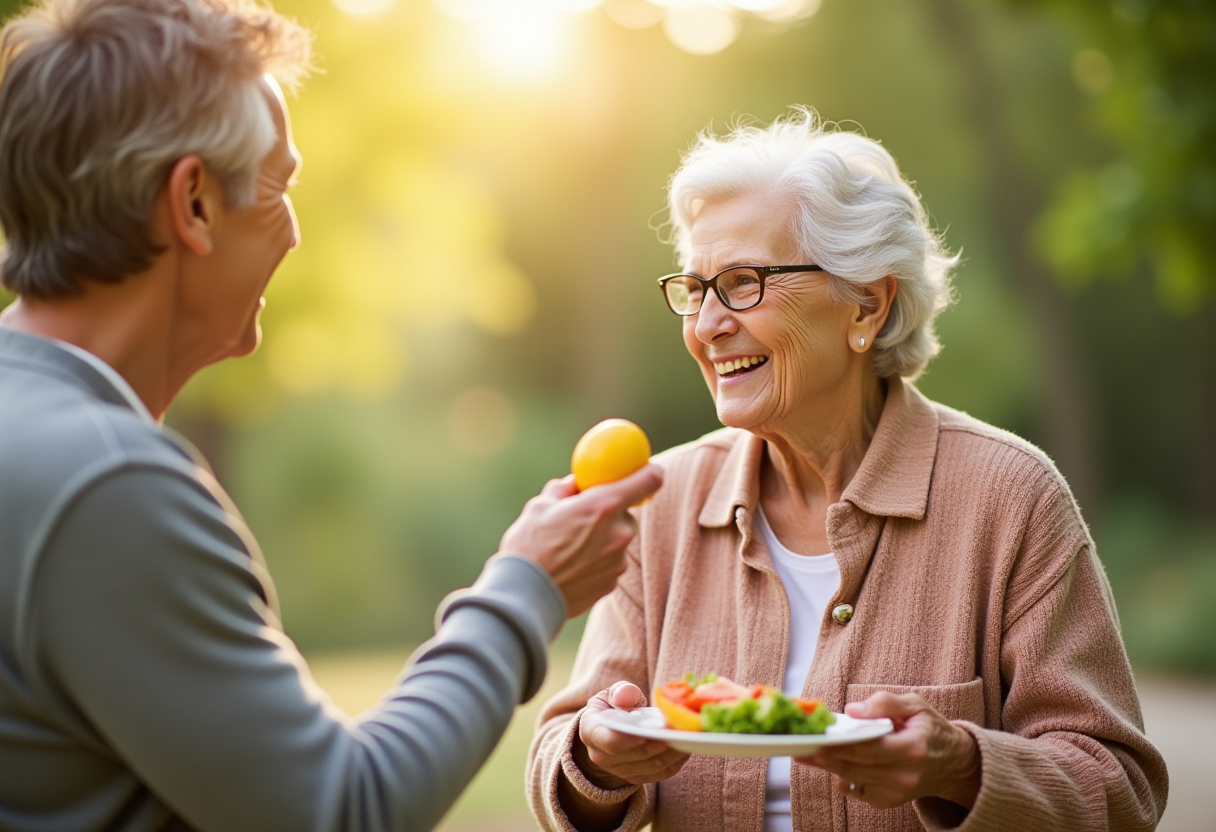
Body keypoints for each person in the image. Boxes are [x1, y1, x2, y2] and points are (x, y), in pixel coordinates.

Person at [0, 0, 662, 830]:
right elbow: (344, 811)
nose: (294, 232)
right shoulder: (106, 484)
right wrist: (526, 589)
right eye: (279, 187)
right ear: (194, 203)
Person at [527, 110, 1167, 832]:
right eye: (695, 289)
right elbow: (562, 756)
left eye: (742, 282)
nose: (707, 325)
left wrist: (960, 762)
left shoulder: (1010, 498)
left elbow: (1120, 792)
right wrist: (596, 756)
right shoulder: (662, 504)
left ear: (867, 303)